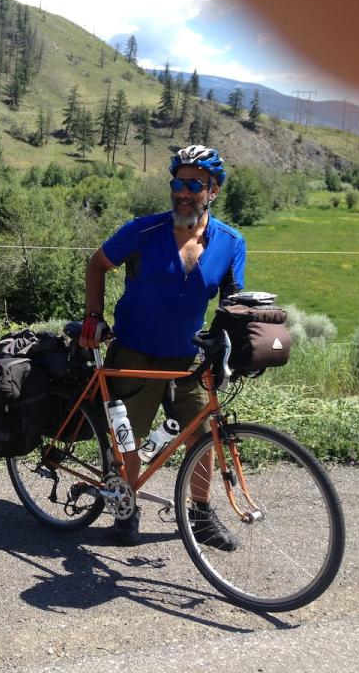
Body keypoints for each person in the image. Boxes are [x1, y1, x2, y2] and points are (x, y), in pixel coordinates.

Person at [79, 144, 246, 547]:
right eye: (177, 182)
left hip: (187, 358)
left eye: (194, 184)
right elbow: (97, 264)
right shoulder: (143, 230)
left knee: (202, 434)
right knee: (128, 439)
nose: (183, 191)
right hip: (134, 352)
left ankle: (202, 516)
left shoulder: (231, 242)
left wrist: (232, 345)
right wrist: (94, 316)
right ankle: (127, 509)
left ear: (214, 191)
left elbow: (232, 301)